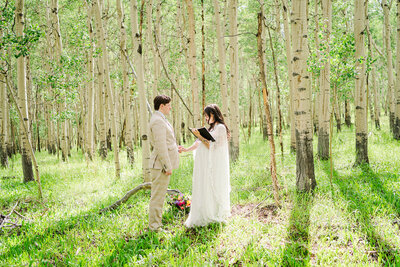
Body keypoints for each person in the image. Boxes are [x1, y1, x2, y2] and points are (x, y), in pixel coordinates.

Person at [180, 104, 231, 227]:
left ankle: (212, 211)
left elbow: (211, 146)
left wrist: (200, 136)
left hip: (212, 164)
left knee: (210, 185)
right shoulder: (211, 129)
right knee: (203, 184)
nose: (206, 118)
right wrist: (186, 149)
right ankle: (202, 210)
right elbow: (198, 144)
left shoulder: (220, 128)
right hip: (203, 164)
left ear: (213, 114)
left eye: (207, 116)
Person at [148, 95, 180, 231]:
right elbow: (160, 145)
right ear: (162, 106)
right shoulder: (157, 121)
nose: (170, 108)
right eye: (168, 105)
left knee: (159, 195)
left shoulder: (160, 119)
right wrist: (167, 166)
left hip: (162, 163)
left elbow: (165, 141)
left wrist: (174, 148)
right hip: (160, 165)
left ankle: (157, 224)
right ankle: (155, 226)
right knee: (158, 196)